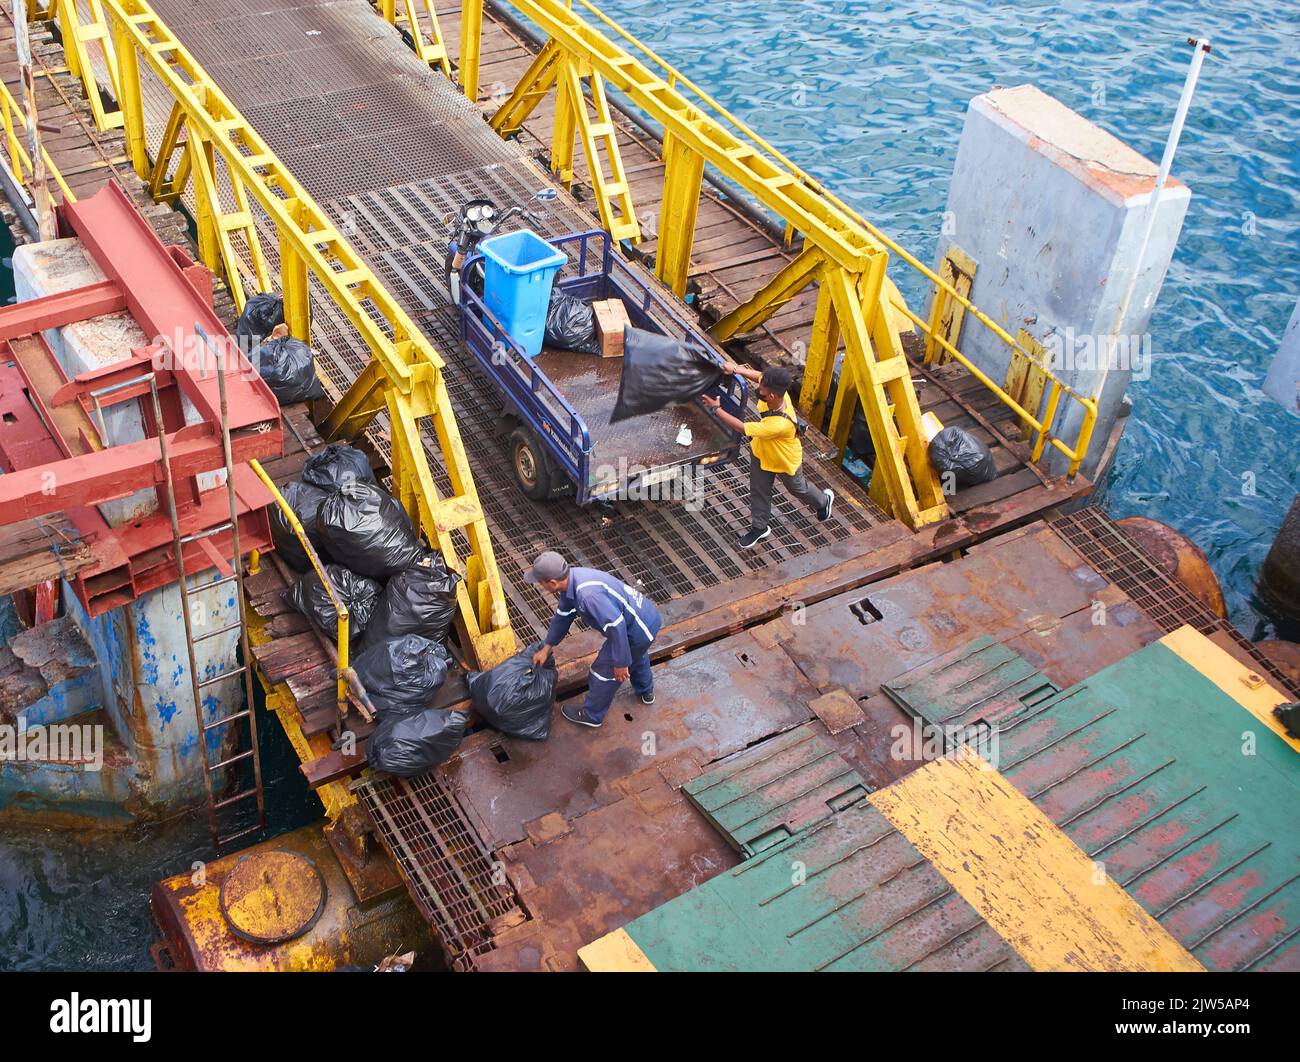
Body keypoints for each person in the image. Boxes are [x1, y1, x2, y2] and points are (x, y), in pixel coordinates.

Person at [701, 362, 834, 547]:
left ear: (771, 396)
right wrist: (736, 369)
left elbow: (741, 427)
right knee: (759, 490)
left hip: (784, 459)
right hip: (762, 452)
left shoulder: (777, 424)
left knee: (797, 488)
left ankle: (823, 501)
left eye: (761, 393)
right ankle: (759, 527)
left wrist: (716, 409)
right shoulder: (777, 392)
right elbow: (760, 376)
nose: (758, 393)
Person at [526, 551, 661, 729]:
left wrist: (620, 663)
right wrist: (547, 647)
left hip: (636, 630)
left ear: (552, 582)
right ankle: (646, 691)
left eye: (540, 582)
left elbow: (617, 626)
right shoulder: (572, 581)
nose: (539, 585)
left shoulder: (588, 596)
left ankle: (592, 715)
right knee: (637, 655)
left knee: (603, 671)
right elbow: (563, 616)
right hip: (646, 618)